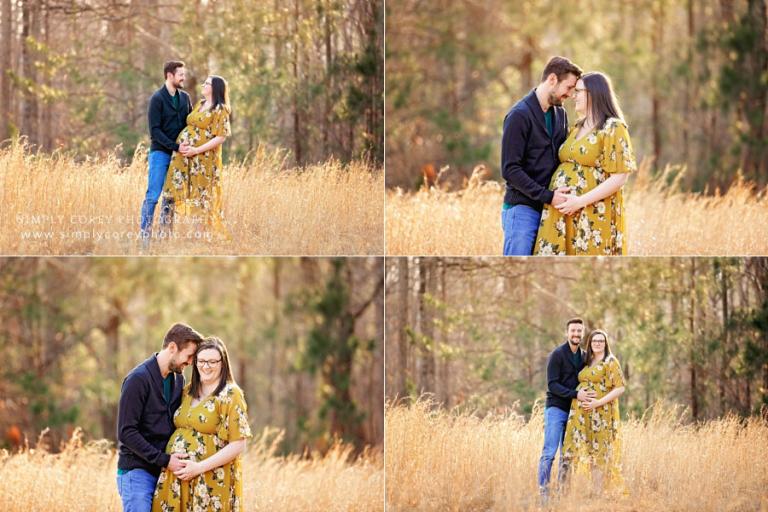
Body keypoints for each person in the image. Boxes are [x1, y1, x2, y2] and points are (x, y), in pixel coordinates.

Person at [534, 71, 637, 255]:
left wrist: (579, 201)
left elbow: (620, 177)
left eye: (579, 91)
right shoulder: (576, 128)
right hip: (561, 215)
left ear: (594, 94)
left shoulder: (613, 127)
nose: (574, 96)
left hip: (592, 213)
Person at [152, 337, 252, 512]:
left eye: (213, 361)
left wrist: (198, 468)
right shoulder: (187, 391)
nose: (206, 366)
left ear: (223, 363)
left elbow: (239, 443)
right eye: (202, 361)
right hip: (176, 481)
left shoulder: (230, 394)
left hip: (209, 480)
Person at [116, 323, 204, 512]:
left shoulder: (178, 380)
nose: (190, 363)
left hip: (165, 473)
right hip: (136, 473)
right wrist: (164, 460)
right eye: (189, 356)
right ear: (172, 348)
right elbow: (126, 432)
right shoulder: (137, 380)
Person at [501, 56, 582, 255]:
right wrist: (549, 196)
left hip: (551, 210)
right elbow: (510, 169)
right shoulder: (519, 116)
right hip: (521, 210)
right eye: (569, 87)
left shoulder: (560, 114)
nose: (571, 94)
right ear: (552, 79)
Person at [161, 75, 232, 241]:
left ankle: (201, 235)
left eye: (207, 83)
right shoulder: (200, 104)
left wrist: (196, 149)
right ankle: (194, 234)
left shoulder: (220, 109)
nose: (204, 84)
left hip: (204, 159)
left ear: (215, 88)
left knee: (202, 194)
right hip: (188, 157)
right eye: (205, 82)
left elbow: (220, 137)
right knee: (190, 192)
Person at [537, 318, 596, 500]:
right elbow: (552, 385)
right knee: (549, 453)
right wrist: (575, 394)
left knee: (568, 454)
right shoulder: (557, 355)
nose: (576, 334)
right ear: (567, 333)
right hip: (556, 408)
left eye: (579, 331)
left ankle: (562, 495)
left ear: (583, 333)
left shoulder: (585, 357)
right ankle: (544, 494)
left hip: (575, 412)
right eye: (573, 331)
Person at [561, 329, 626, 491]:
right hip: (581, 414)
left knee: (599, 451)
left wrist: (597, 403)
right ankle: (569, 490)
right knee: (584, 449)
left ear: (606, 343)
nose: (598, 343)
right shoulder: (587, 361)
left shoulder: (610, 361)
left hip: (600, 414)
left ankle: (598, 493)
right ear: (590, 343)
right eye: (595, 341)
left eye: (601, 341)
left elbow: (620, 388)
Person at [140, 61, 194, 246]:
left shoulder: (185, 98)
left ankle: (164, 239)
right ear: (169, 75)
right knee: (153, 195)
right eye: (180, 75)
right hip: (160, 153)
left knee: (170, 196)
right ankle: (145, 240)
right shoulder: (157, 99)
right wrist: (175, 146)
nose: (183, 78)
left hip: (180, 155)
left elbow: (190, 125)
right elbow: (154, 131)